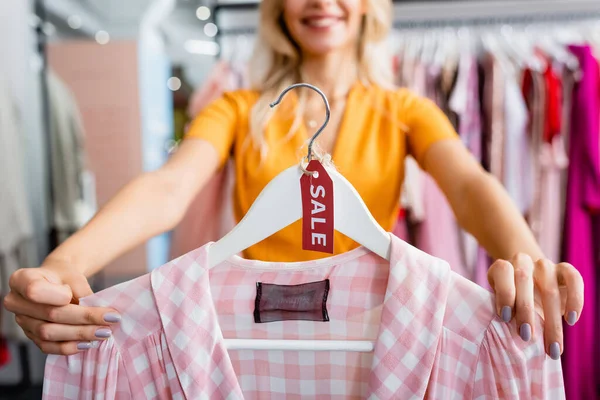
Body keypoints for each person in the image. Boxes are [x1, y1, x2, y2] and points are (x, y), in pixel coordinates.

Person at [4, 0, 583, 361]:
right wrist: (66, 262)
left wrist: (528, 258)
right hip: (251, 331)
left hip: (373, 331)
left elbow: (467, 184)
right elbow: (168, 187)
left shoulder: (405, 108)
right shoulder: (235, 108)